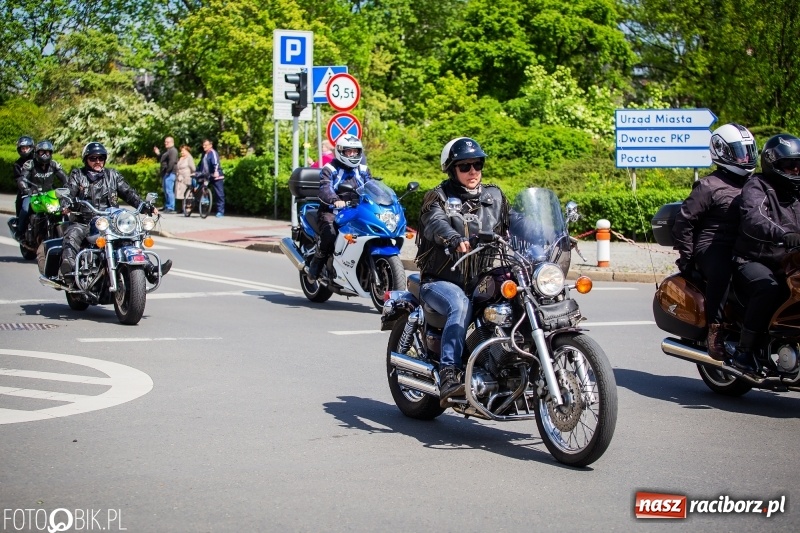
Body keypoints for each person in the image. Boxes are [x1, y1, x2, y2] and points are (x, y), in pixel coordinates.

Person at [414, 137, 509, 407]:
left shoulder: (495, 197)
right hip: (441, 281)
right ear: (452, 170)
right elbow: (435, 223)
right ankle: (448, 373)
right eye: (465, 166)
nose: (473, 171)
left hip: (481, 279)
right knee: (459, 303)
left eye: (477, 164)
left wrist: (548, 236)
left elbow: (518, 223)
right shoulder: (438, 198)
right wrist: (453, 238)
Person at [671, 123, 758, 360]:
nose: (745, 158)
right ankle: (715, 331)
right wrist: (687, 259)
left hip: (745, 246)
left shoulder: (755, 184)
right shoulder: (709, 185)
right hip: (713, 245)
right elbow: (684, 221)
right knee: (723, 272)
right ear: (722, 152)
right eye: (740, 153)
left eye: (748, 152)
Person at [729, 133, 800, 373]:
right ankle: (744, 352)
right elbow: (754, 217)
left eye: (798, 164)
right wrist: (782, 234)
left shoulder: (796, 192)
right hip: (754, 259)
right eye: (789, 165)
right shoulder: (757, 186)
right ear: (773, 164)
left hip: (789, 261)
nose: (795, 169)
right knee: (768, 288)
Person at [60, 142, 172, 284]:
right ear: (86, 159)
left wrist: (146, 206)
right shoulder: (78, 175)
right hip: (85, 221)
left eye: (100, 158)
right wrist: (66, 204)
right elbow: (69, 191)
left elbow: (129, 193)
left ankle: (150, 270)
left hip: (111, 222)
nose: (97, 162)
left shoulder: (112, 175)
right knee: (72, 234)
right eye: (93, 158)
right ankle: (69, 271)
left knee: (132, 237)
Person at [306, 135, 372, 280]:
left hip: (356, 211)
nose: (353, 154)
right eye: (349, 152)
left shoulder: (363, 169)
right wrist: (335, 200)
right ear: (341, 152)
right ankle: (316, 263)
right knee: (330, 235)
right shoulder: (329, 169)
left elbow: (371, 187)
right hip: (332, 211)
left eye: (355, 151)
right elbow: (325, 189)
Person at [14, 140, 69, 242]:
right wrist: (26, 189)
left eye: (47, 152)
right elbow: (22, 178)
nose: (44, 155)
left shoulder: (54, 165)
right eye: (41, 152)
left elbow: (65, 178)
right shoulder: (30, 164)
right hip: (33, 195)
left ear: (51, 153)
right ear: (37, 153)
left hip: (50, 195)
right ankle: (20, 232)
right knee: (25, 210)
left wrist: (69, 188)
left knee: (64, 211)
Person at [198, 138, 224, 217]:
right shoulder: (204, 154)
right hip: (207, 176)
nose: (204, 146)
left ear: (210, 145)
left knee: (219, 194)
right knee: (204, 190)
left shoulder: (213, 153)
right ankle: (205, 208)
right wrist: (196, 172)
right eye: (203, 145)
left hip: (216, 176)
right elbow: (200, 165)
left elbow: (216, 163)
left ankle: (220, 211)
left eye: (206, 145)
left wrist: (216, 172)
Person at [153, 136, 178, 213]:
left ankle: (171, 207)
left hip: (170, 173)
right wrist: (158, 153)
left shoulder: (173, 151)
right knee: (166, 190)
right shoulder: (168, 151)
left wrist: (168, 171)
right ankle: (167, 205)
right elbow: (163, 159)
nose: (166, 143)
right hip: (166, 174)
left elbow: (172, 162)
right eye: (165, 142)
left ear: (172, 142)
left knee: (169, 190)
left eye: (168, 142)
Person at [13, 136, 35, 217]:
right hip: (26, 191)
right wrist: (25, 188)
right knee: (24, 209)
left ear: (31, 148)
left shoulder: (37, 160)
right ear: (19, 149)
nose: (25, 150)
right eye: (23, 148)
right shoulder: (17, 164)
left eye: (27, 148)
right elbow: (17, 179)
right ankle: (19, 226)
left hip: (40, 189)